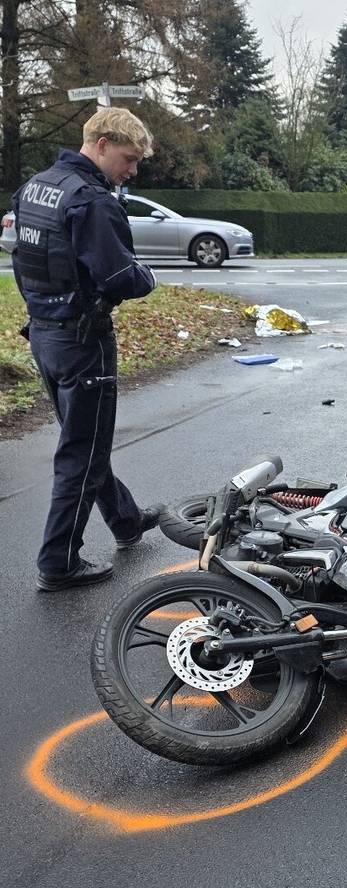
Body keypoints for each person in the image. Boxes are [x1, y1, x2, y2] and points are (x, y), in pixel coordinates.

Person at [12, 107, 162, 592]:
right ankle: (59, 561)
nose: (133, 170)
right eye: (129, 157)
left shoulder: (37, 186)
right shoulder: (91, 201)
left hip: (43, 333)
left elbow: (25, 258)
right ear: (101, 144)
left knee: (86, 439)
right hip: (83, 341)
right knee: (82, 450)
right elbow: (121, 277)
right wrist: (148, 276)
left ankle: (125, 520)